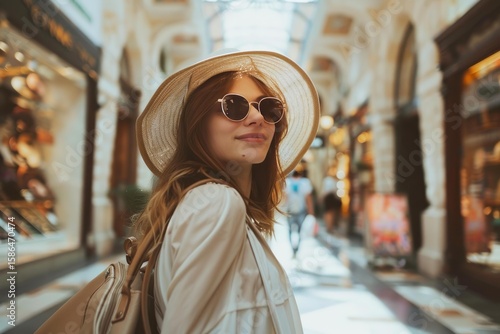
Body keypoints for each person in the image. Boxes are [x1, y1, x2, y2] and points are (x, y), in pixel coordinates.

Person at [133, 50, 319, 333]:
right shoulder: (217, 204)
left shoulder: (208, 201)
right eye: (234, 106)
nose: (257, 117)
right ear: (199, 125)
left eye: (268, 108)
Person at [285, 165, 315, 257]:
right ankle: (296, 248)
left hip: (290, 210)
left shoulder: (287, 182)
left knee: (290, 231)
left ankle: (294, 249)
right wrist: (311, 212)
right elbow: (308, 198)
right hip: (300, 210)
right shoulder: (305, 182)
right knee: (299, 231)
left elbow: (285, 198)